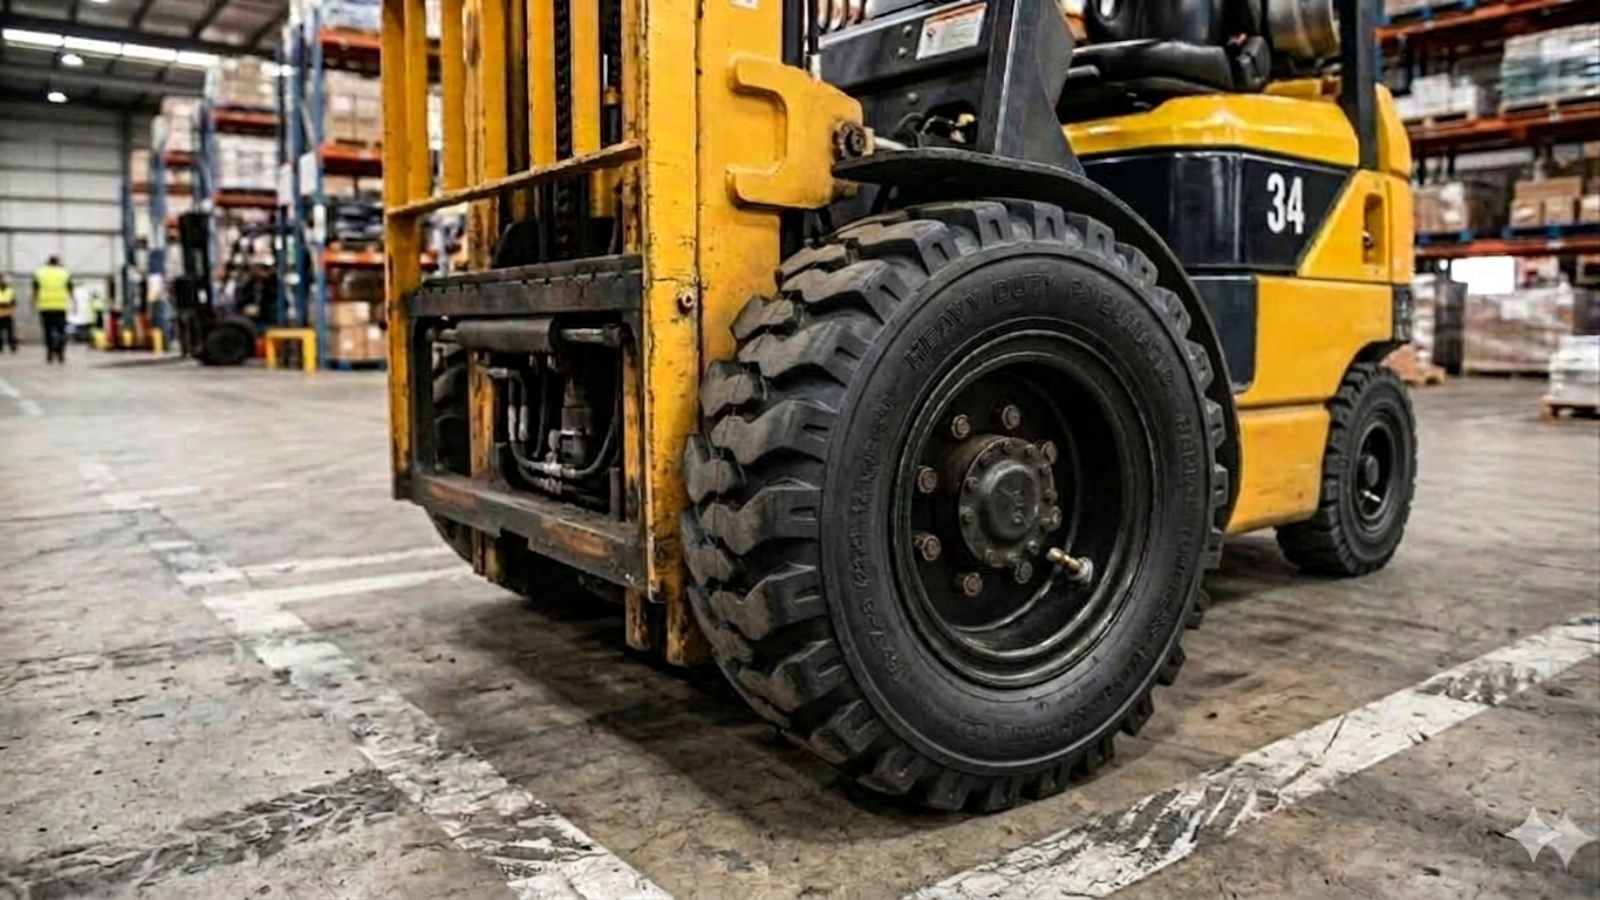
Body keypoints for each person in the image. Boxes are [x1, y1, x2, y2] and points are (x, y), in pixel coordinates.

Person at [33, 255, 72, 364]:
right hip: (60, 307)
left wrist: (33, 302)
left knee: (47, 331)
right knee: (62, 330)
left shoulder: (40, 273)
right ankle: (61, 352)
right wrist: (74, 303)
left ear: (48, 262)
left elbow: (35, 289)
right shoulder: (64, 273)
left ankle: (50, 351)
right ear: (58, 262)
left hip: (45, 307)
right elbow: (70, 289)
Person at [0, 274, 16, 353]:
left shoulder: (10, 290)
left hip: (8, 313)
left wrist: (9, 304)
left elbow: (14, 301)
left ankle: (12, 345)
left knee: (10, 331)